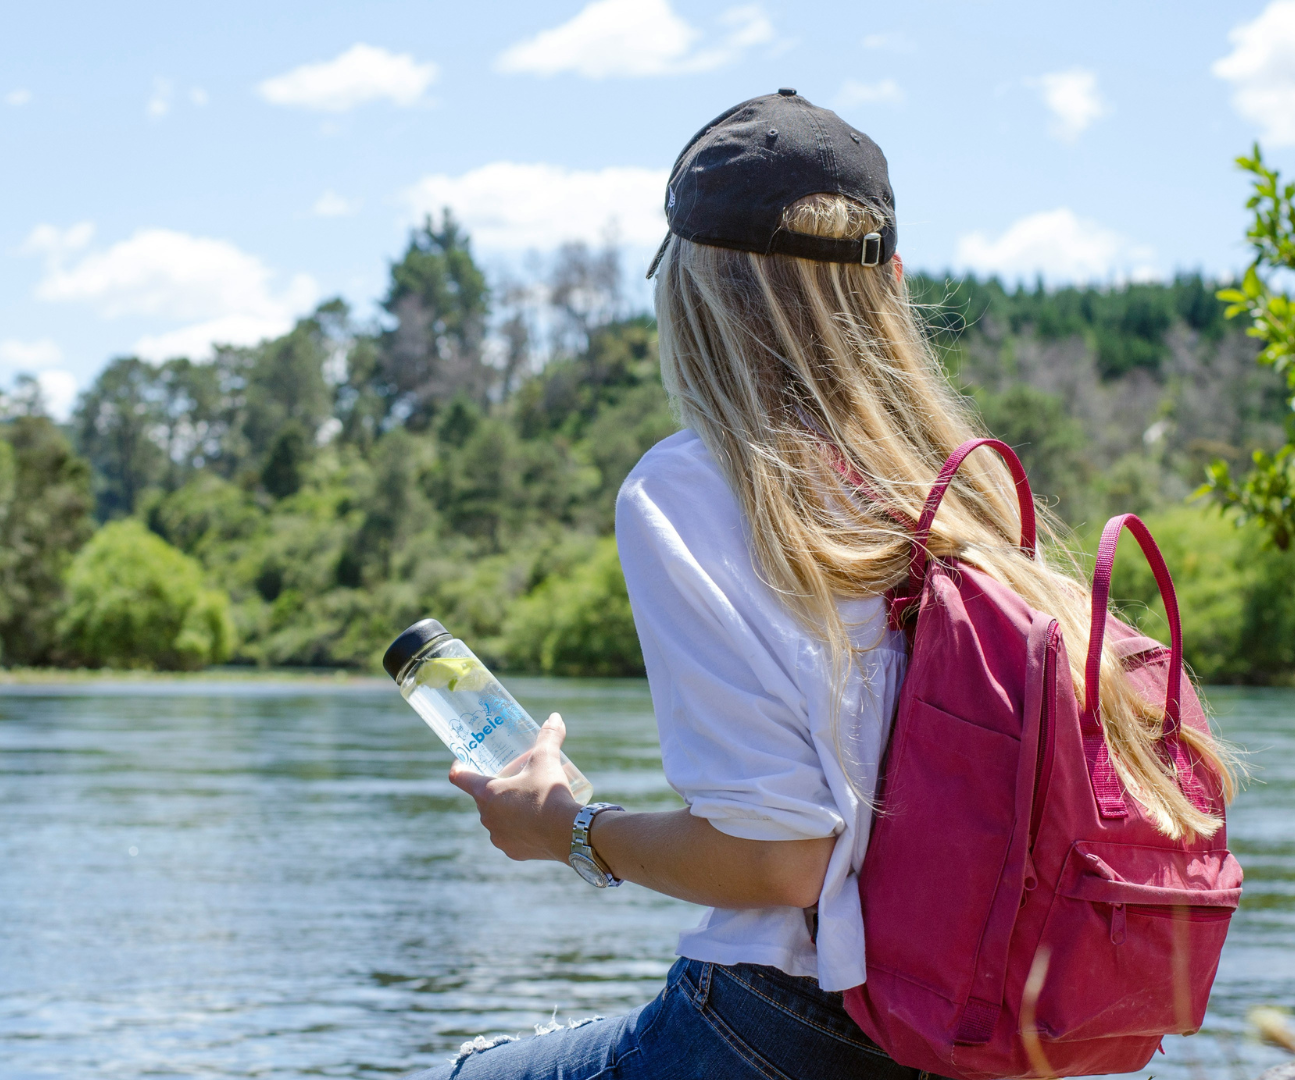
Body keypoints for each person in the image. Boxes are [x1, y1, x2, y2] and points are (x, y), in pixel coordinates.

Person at [411, 90, 1233, 1080]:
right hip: (961, 1028)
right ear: (889, 284)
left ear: (691, 287)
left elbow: (779, 858)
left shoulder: (688, 486)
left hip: (786, 1026)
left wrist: (571, 831)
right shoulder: (958, 492)